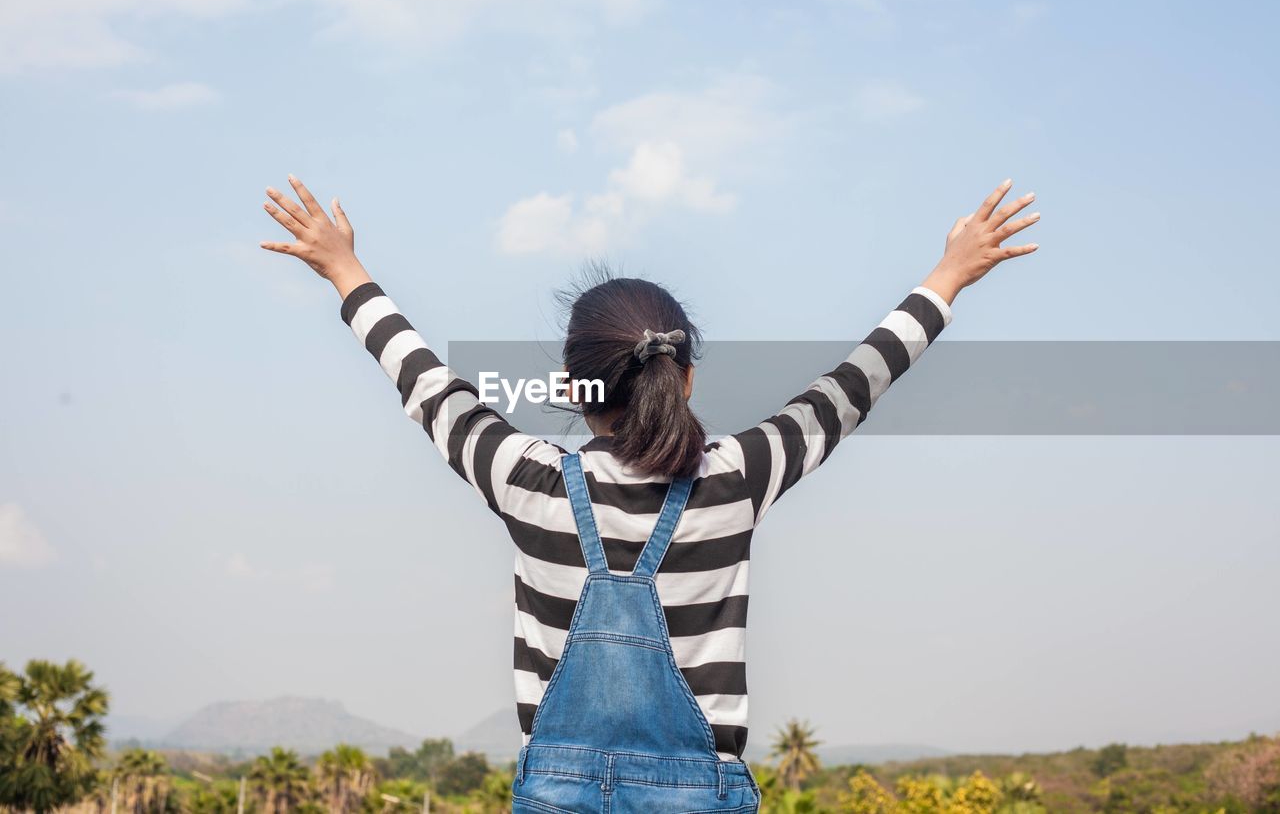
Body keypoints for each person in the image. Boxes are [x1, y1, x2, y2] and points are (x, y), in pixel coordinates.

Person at [260, 175, 1040, 812]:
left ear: (572, 384)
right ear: (685, 375)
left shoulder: (527, 479)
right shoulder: (736, 478)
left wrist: (343, 269)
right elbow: (852, 386)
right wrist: (948, 275)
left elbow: (424, 379)